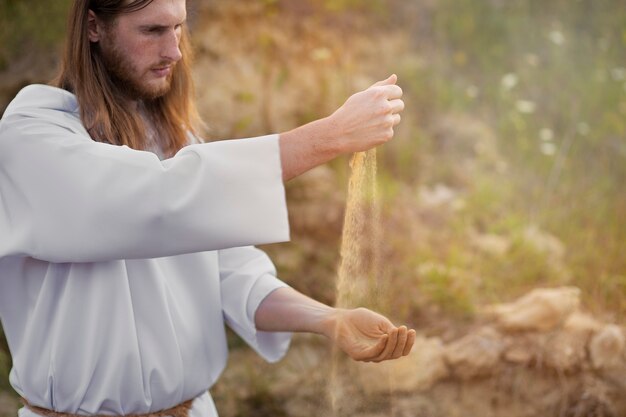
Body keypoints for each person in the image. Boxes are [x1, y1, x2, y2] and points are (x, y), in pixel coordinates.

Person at [0, 1, 414, 417]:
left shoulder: (175, 139)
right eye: (152, 30)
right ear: (93, 26)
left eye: (178, 28)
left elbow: (234, 274)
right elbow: (154, 201)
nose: (174, 51)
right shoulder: (34, 135)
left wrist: (330, 319)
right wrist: (330, 135)